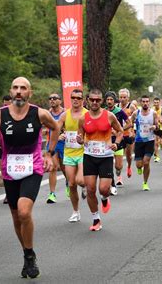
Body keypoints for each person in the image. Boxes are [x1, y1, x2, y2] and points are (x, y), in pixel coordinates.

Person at [0, 77, 59, 279]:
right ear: (10, 91)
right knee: (16, 216)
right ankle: (28, 254)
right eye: (15, 88)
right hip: (9, 169)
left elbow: (56, 127)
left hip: (32, 167)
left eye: (23, 88)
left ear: (29, 93)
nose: (19, 91)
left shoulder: (39, 113)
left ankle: (29, 255)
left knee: (25, 212)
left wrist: (49, 153)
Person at [76, 89, 123, 231]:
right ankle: (96, 219)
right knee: (90, 189)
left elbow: (120, 131)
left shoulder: (109, 116)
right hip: (89, 156)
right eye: (92, 100)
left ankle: (104, 198)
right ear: (87, 100)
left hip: (106, 156)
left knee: (103, 189)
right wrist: (79, 139)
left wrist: (116, 143)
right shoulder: (83, 118)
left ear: (101, 101)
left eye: (98, 100)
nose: (95, 102)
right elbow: (80, 135)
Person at [57, 89, 87, 222]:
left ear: (83, 100)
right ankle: (76, 212)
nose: (75, 100)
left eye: (78, 98)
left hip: (83, 151)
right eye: (73, 97)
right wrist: (59, 135)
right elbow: (55, 129)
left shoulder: (87, 114)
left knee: (80, 180)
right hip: (69, 152)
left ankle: (85, 186)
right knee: (72, 184)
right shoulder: (64, 115)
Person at [130, 95, 159, 191]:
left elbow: (157, 125)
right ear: (140, 102)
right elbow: (130, 123)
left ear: (149, 102)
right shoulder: (136, 113)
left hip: (149, 141)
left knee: (146, 162)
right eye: (143, 101)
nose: (145, 103)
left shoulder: (153, 113)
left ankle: (145, 183)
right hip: (138, 141)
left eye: (147, 101)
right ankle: (139, 167)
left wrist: (155, 127)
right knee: (139, 164)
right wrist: (131, 132)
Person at [105, 91, 130, 193]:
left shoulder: (119, 112)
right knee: (108, 164)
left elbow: (129, 123)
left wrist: (120, 130)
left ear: (114, 101)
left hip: (118, 140)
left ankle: (118, 173)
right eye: (108, 100)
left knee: (118, 166)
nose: (109, 101)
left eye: (111, 99)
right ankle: (112, 184)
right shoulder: (103, 112)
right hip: (107, 141)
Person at [46, 93, 67, 203]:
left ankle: (68, 184)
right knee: (53, 167)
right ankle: (52, 194)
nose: (52, 100)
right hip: (51, 144)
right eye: (50, 98)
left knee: (64, 168)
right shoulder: (47, 114)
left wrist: (64, 134)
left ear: (60, 101)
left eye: (55, 98)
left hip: (63, 144)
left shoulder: (65, 113)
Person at [118, 88, 136, 178]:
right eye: (121, 97)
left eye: (124, 97)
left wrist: (134, 132)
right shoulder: (116, 106)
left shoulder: (131, 107)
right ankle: (119, 176)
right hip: (119, 134)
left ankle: (129, 166)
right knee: (118, 156)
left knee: (128, 154)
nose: (122, 99)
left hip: (129, 134)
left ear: (128, 98)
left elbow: (136, 120)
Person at [152, 97, 162, 163]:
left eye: (157, 102)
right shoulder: (152, 110)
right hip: (155, 128)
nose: (156, 104)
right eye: (155, 102)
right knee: (156, 142)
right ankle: (157, 156)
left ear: (159, 103)